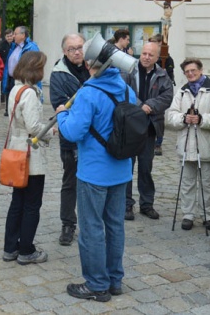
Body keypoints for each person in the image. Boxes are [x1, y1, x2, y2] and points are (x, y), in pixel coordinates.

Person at [56, 56, 137, 302]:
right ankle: (114, 280)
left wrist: (62, 114)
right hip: (121, 169)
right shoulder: (127, 90)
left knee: (91, 228)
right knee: (115, 226)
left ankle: (96, 284)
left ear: (92, 67)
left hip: (94, 171)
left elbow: (72, 131)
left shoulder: (88, 93)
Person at [165, 58, 210, 231]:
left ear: (200, 70)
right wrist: (184, 118)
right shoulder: (182, 92)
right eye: (187, 72)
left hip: (206, 144)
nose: (190, 74)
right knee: (187, 182)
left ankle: (208, 215)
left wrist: (201, 119)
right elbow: (171, 116)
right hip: (185, 144)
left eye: (193, 70)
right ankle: (188, 214)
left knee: (207, 183)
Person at [3, 51, 52, 265]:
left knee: (18, 201)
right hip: (29, 153)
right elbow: (33, 127)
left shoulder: (15, 89)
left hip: (16, 149)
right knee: (31, 204)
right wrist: (51, 132)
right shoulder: (30, 93)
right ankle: (26, 250)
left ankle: (10, 247)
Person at [122, 40, 172, 221]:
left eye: (151, 55)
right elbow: (122, 91)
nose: (146, 57)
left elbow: (167, 97)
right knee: (127, 168)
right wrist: (140, 106)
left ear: (157, 57)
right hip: (128, 126)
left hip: (150, 128)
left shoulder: (162, 75)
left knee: (145, 168)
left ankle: (146, 204)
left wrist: (149, 105)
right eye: (144, 53)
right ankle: (126, 204)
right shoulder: (128, 70)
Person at [49, 33, 89, 246]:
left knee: (92, 181)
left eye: (80, 47)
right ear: (64, 51)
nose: (77, 52)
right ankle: (68, 223)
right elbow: (59, 103)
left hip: (94, 137)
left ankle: (91, 223)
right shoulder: (59, 74)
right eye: (72, 49)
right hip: (70, 137)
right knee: (70, 181)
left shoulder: (93, 68)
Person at [3, 26, 39, 116]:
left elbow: (34, 67)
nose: (13, 36)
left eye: (15, 34)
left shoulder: (31, 47)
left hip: (24, 82)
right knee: (13, 109)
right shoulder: (14, 47)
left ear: (23, 35)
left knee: (22, 109)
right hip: (12, 80)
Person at [150, 34, 174, 155]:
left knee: (159, 117)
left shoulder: (167, 58)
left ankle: (158, 143)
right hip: (150, 92)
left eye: (156, 43)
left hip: (160, 91)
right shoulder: (150, 58)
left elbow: (170, 74)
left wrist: (167, 75)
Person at [0, 28, 13, 106]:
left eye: (10, 36)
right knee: (6, 88)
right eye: (8, 36)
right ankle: (7, 107)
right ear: (5, 37)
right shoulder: (2, 45)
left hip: (13, 70)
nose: (9, 38)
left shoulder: (15, 45)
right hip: (5, 70)